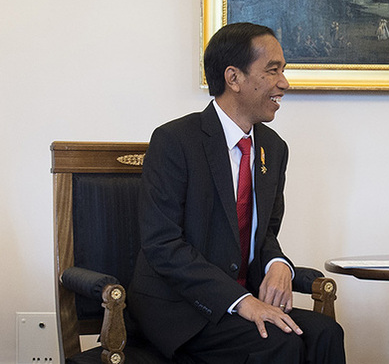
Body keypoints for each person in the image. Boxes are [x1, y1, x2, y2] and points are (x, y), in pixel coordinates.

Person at [128, 22, 345, 364]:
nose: (284, 83)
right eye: (272, 71)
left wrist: (278, 264)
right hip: (179, 308)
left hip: (242, 296)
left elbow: (265, 232)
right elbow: (162, 244)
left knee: (326, 334)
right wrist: (241, 301)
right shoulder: (176, 141)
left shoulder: (273, 148)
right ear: (234, 78)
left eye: (283, 71)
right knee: (277, 343)